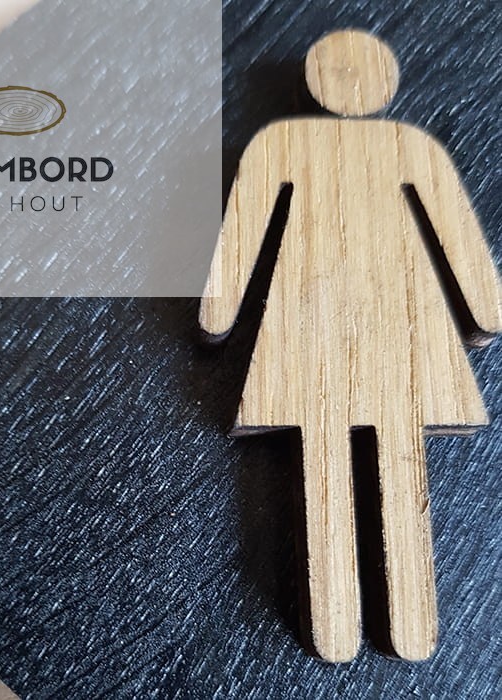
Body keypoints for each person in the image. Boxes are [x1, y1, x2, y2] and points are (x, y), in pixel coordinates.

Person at [200, 29, 501, 662]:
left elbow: (240, 241)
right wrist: (485, 307)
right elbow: (465, 250)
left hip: (319, 320)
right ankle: (388, 620)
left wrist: (219, 311)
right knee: (385, 456)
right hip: (395, 321)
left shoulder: (286, 142)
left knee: (334, 457)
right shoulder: (404, 146)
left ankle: (356, 623)